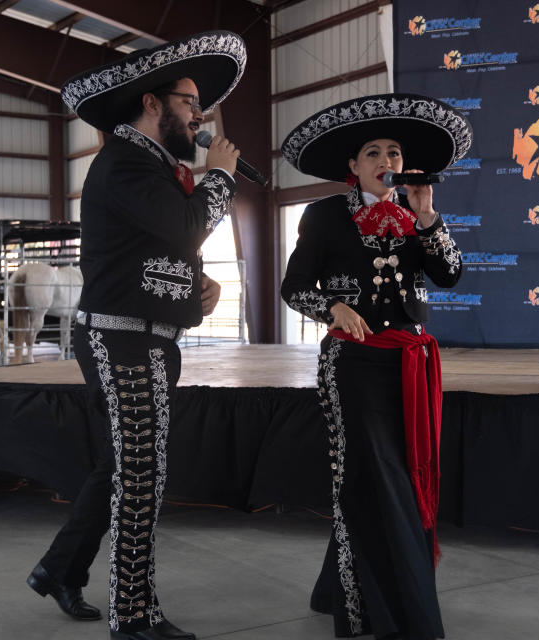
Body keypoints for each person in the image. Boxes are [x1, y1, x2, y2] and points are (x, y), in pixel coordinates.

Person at [27, 30, 246, 640]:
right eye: (188, 100)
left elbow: (162, 248)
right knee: (142, 474)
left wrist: (201, 287)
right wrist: (220, 177)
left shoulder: (154, 167)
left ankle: (58, 568)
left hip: (153, 338)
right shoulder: (123, 161)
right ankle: (134, 613)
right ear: (152, 103)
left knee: (125, 467)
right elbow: (180, 226)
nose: (199, 114)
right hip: (121, 340)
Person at [279, 94, 472, 640]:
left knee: (396, 478)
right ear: (354, 167)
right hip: (354, 365)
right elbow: (294, 287)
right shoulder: (323, 216)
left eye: (394, 152)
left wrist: (428, 213)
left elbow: (451, 275)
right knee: (372, 478)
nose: (386, 161)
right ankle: (392, 612)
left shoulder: (417, 215)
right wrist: (331, 307)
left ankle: (337, 587)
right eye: (374, 153)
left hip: (408, 365)